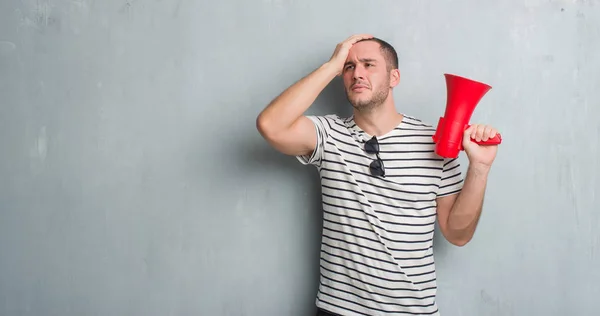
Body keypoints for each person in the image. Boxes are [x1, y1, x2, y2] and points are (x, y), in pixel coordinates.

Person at [255, 34, 500, 316]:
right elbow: (270, 125)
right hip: (339, 310)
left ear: (394, 77)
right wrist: (331, 66)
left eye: (368, 64)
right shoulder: (328, 134)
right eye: (349, 67)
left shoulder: (436, 143)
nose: (356, 73)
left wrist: (480, 168)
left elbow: (457, 234)